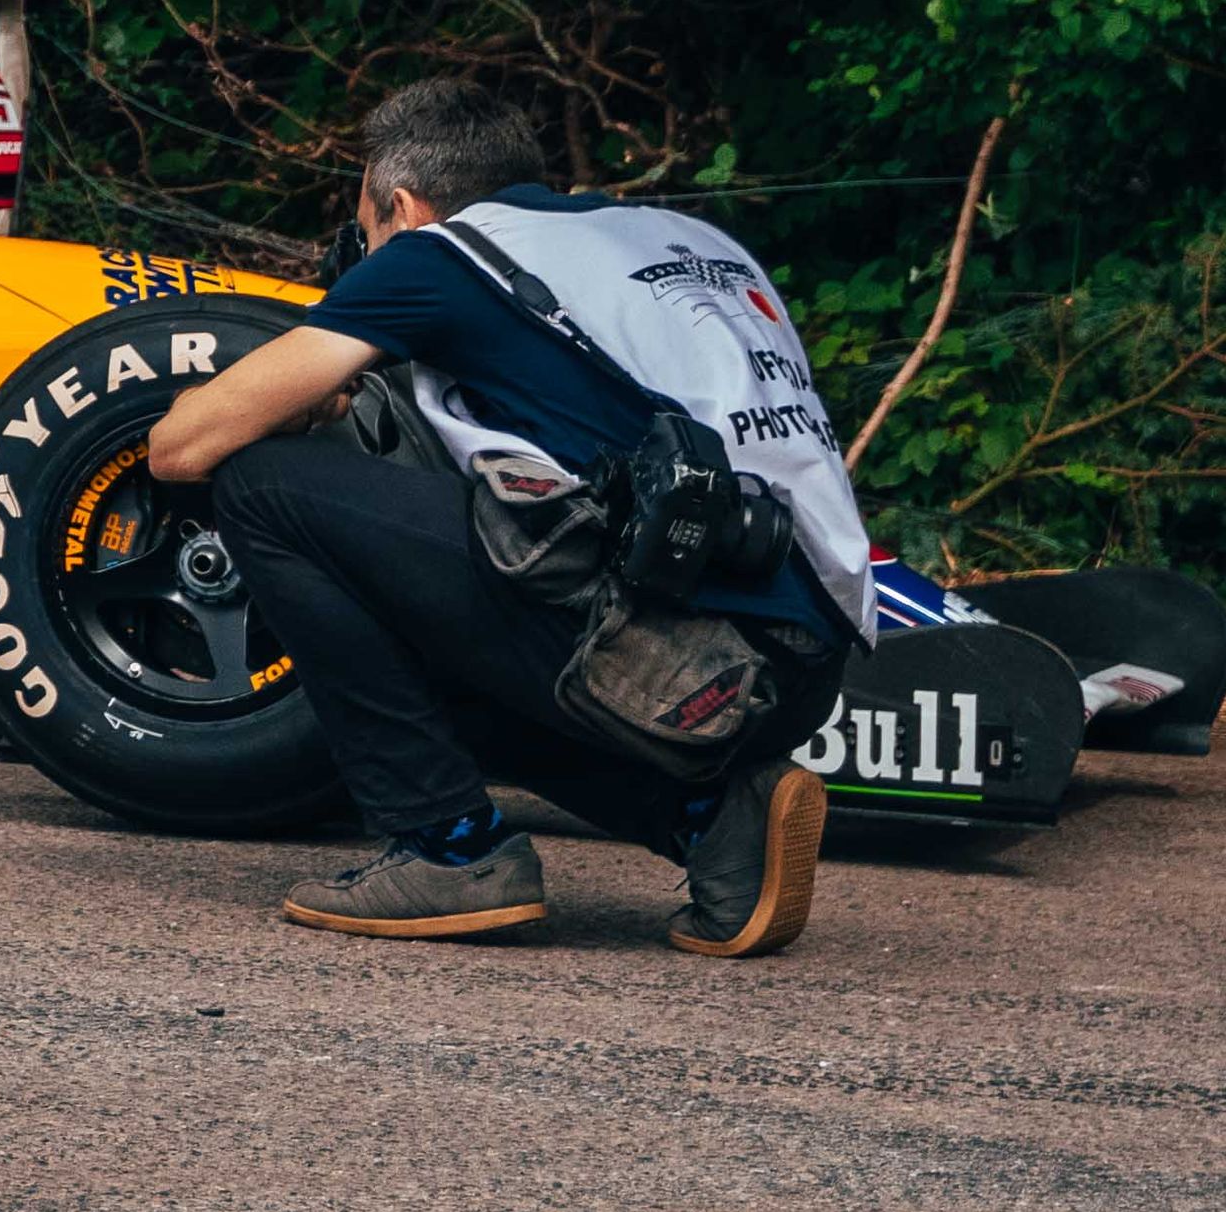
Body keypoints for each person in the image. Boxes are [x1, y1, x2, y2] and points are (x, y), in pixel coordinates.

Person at [121, 79, 872, 960]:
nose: (365, 253)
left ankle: (449, 847)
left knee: (262, 487)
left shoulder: (439, 255)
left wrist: (301, 406)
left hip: (684, 659)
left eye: (363, 234)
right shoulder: (685, 240)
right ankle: (714, 822)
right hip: (801, 665)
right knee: (427, 620)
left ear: (401, 206)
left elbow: (183, 445)